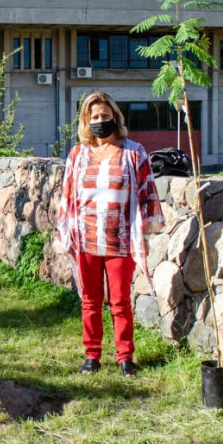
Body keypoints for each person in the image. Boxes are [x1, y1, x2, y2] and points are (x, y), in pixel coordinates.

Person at [56, 91, 164, 377]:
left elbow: (147, 190)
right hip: (87, 239)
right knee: (90, 300)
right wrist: (64, 231)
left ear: (115, 117)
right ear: (85, 121)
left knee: (120, 301)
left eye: (105, 115)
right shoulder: (78, 155)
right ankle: (92, 355)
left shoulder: (133, 152)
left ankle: (125, 356)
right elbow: (67, 196)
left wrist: (149, 227)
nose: (100, 121)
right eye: (94, 117)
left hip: (121, 239)